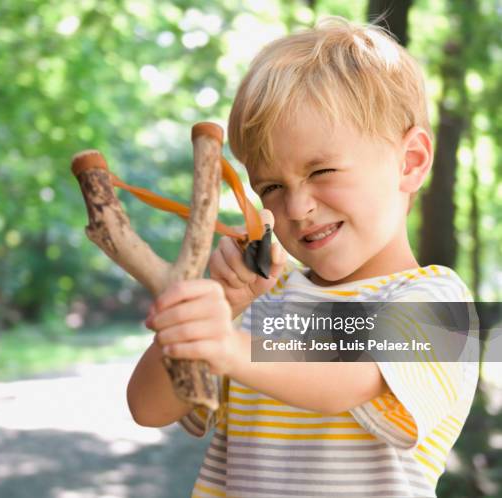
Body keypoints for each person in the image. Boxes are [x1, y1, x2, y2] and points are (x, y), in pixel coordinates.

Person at [126, 16, 478, 497]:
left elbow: (352, 379)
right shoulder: (265, 308)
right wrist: (222, 311)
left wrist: (230, 347)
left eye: (323, 170)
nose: (297, 207)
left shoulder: (439, 303)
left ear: (410, 161)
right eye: (271, 186)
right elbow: (149, 409)